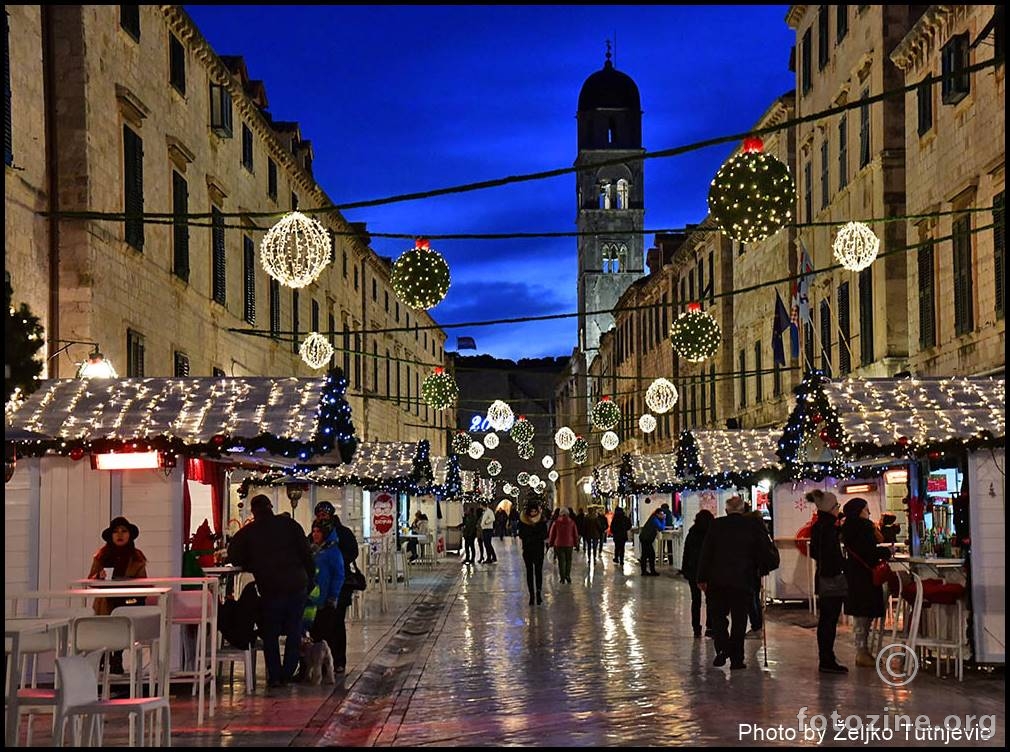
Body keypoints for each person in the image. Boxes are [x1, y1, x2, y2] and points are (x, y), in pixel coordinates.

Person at [228, 494, 315, 688]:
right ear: (270, 507)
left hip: (271, 588)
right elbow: (307, 554)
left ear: (254, 511)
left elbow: (234, 557)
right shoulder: (290, 525)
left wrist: (253, 564)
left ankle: (275, 676)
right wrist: (310, 582)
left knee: (271, 632)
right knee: (294, 630)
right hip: (296, 585)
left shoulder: (249, 532)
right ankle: (288, 671)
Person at [697, 495, 779, 671]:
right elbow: (764, 552)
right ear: (743, 510)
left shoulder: (716, 525)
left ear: (726, 511)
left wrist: (701, 578)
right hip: (743, 580)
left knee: (718, 617)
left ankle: (722, 647)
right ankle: (736, 658)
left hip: (717, 580)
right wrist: (763, 567)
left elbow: (706, 553)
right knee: (739, 620)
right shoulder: (752, 526)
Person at [87, 516, 148, 674]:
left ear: (130, 535)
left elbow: (144, 583)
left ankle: (117, 656)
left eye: (124, 531)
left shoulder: (137, 557)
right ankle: (103, 656)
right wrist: (99, 577)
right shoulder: (102, 555)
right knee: (106, 618)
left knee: (124, 614)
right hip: (106, 601)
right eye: (116, 532)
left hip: (129, 601)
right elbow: (90, 580)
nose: (120, 535)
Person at [840, 497, 890, 668]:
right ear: (860, 511)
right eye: (866, 509)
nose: (869, 512)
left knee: (860, 615)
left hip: (854, 576)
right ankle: (862, 652)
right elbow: (869, 552)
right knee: (864, 614)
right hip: (865, 577)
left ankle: (863, 651)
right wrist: (886, 553)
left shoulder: (847, 528)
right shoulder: (863, 528)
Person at [807, 489, 848, 674]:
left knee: (826, 619)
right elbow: (832, 556)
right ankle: (827, 658)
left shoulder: (818, 527)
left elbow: (816, 553)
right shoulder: (829, 528)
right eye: (837, 506)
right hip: (831, 578)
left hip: (822, 576)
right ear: (831, 508)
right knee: (829, 620)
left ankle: (826, 657)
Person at [302, 519, 345, 678]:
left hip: (325, 600)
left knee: (326, 634)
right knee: (311, 635)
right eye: (313, 531)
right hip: (311, 601)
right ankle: (309, 668)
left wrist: (333, 596)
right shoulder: (313, 551)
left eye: (318, 531)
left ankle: (327, 669)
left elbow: (338, 575)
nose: (315, 535)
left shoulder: (333, 552)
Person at [329, 513, 359, 674]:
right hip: (328, 587)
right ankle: (334, 661)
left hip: (340, 586)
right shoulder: (318, 535)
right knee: (335, 624)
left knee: (336, 623)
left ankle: (337, 660)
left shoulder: (342, 535)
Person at [681, 509, 715, 638]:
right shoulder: (712, 533)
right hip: (709, 571)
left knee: (695, 600)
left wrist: (685, 569)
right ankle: (710, 626)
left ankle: (696, 627)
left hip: (693, 571)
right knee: (710, 600)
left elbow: (687, 552)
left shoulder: (692, 532)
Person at [517, 496, 549, 604]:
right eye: (532, 511)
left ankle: (538, 593)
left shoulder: (542, 521)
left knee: (538, 572)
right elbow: (521, 534)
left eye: (535, 511)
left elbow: (545, 534)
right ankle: (531, 595)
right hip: (528, 550)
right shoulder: (523, 521)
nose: (533, 513)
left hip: (538, 550)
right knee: (529, 572)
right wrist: (531, 537)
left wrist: (533, 536)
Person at [547, 506, 578, 584]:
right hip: (569, 544)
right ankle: (567, 575)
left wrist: (550, 543)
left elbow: (552, 534)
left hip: (558, 544)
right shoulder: (572, 522)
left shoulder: (556, 522)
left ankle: (562, 578)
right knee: (568, 560)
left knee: (561, 561)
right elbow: (575, 534)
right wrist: (576, 543)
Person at [638, 507, 665, 576]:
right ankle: (650, 571)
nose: (662, 515)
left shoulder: (653, 518)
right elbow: (661, 528)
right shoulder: (655, 519)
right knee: (650, 555)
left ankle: (645, 571)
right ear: (657, 514)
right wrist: (663, 519)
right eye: (661, 514)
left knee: (647, 555)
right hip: (646, 539)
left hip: (645, 538)